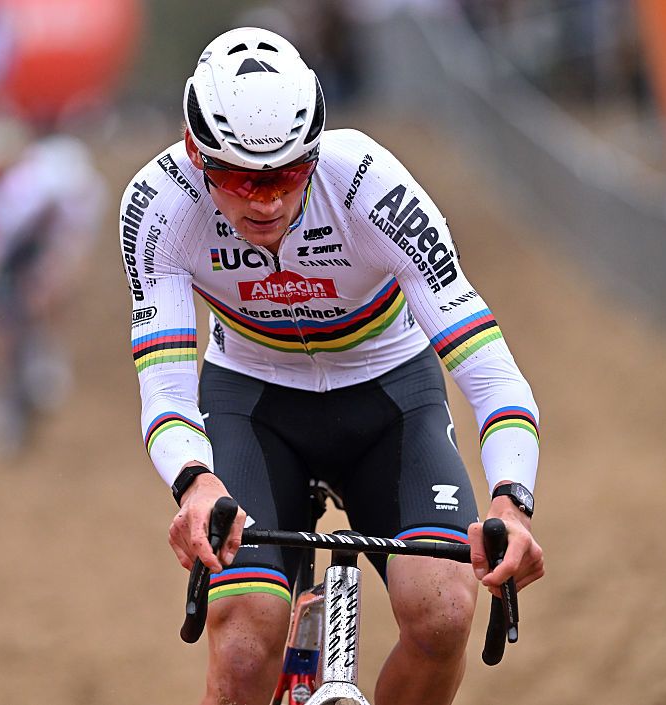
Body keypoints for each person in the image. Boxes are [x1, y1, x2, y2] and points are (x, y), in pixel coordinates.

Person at [119, 27, 543, 705]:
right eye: (236, 178)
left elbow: (488, 368)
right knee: (243, 642)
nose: (266, 201)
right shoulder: (160, 205)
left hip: (389, 398)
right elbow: (165, 382)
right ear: (196, 156)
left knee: (443, 614)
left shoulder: (368, 186)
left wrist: (511, 501)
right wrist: (194, 482)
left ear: (314, 152)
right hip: (253, 403)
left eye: (287, 174)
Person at [0, 115, 106, 455]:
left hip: (41, 243)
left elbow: (72, 243)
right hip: (3, 249)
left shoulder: (41, 189)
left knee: (46, 297)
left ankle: (46, 361)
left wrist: (54, 278)